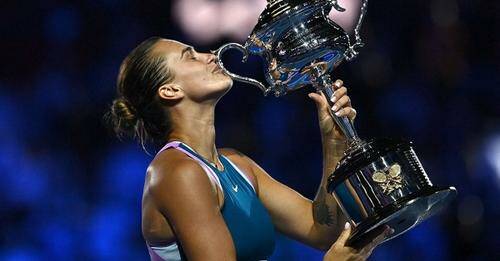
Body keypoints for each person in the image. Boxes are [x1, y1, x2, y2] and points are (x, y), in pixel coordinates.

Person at [107, 37, 392, 261]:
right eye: (190, 56)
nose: (211, 56)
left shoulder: (236, 164)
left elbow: (321, 230)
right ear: (170, 91)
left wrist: (334, 143)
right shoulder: (176, 173)